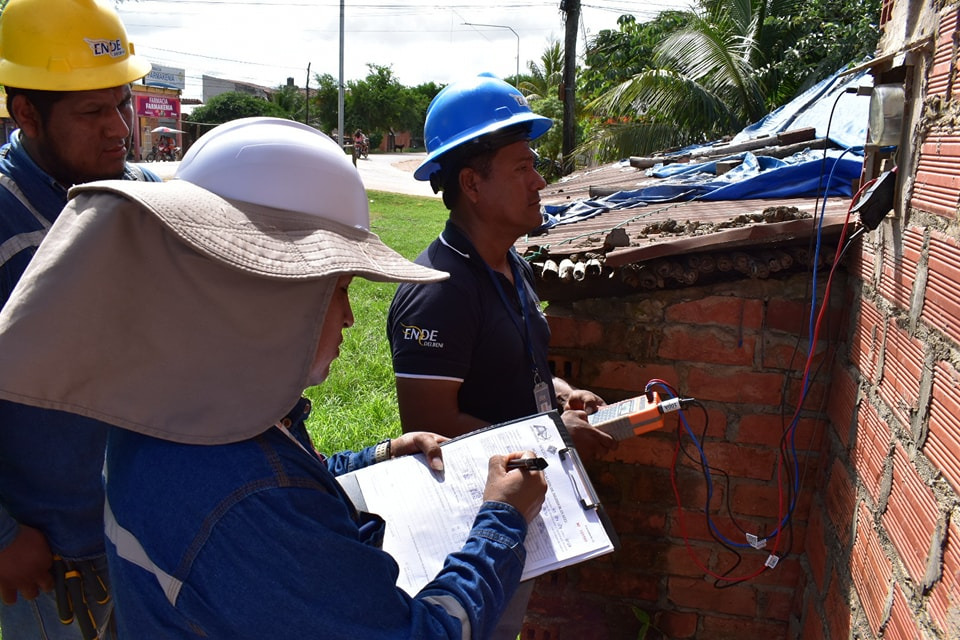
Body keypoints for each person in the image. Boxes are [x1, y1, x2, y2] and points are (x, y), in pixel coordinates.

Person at [0, 117, 549, 638]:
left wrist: (377, 456)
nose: (351, 316)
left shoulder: (179, 402)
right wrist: (502, 520)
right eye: (338, 290)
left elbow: (283, 477)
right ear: (266, 297)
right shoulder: (248, 499)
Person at [386, 73, 618, 639]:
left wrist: (559, 394)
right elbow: (430, 425)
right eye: (522, 167)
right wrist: (553, 437)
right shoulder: (438, 288)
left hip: (517, 504)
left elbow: (507, 365)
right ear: (472, 182)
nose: (540, 180)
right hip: (469, 529)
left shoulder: (511, 266)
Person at [0, 0, 158, 637]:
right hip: (50, 560)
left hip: (147, 535)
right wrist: (5, 535)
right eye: (93, 112)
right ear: (26, 112)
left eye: (123, 103)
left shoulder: (143, 195)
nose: (119, 127)